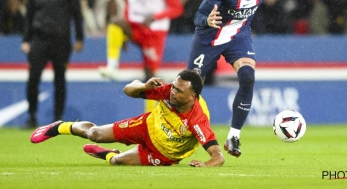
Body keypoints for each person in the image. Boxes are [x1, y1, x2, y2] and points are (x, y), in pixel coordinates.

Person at [187, 0, 347, 157]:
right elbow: (198, 16)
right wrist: (206, 21)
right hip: (208, 38)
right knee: (187, 91)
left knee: (247, 76)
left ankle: (234, 136)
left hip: (238, 37)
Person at [29, 70, 225, 167]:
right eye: (173, 86)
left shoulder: (197, 119)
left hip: (164, 154)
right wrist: (143, 87)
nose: (172, 92)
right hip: (146, 126)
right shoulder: (167, 91)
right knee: (95, 133)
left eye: (178, 91)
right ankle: (60, 127)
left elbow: (218, 156)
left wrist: (205, 165)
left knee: (116, 162)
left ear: (192, 97)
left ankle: (107, 154)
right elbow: (128, 91)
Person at [98, 0, 183, 111]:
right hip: (136, 26)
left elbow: (177, 8)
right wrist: (123, 36)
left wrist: (156, 16)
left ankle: (153, 112)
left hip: (154, 32)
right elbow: (128, 6)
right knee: (116, 24)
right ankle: (112, 66)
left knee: (150, 75)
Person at [21, 0, 84, 129]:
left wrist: (79, 38)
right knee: (33, 79)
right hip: (39, 41)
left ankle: (58, 118)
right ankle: (32, 116)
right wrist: (26, 40)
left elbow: (77, 16)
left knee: (60, 80)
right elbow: (29, 18)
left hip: (61, 42)